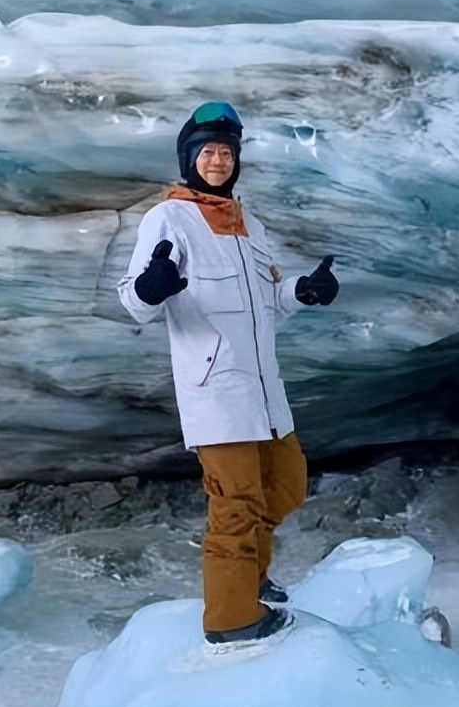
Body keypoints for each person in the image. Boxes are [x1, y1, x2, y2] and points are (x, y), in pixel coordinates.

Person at [118, 101, 339, 645]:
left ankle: (252, 576)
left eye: (225, 153)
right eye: (207, 152)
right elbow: (133, 300)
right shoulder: (168, 218)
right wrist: (154, 286)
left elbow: (266, 301)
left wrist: (300, 292)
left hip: (264, 390)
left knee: (284, 488)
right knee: (236, 504)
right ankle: (233, 617)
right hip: (216, 392)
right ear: (189, 159)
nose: (217, 162)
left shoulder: (248, 224)